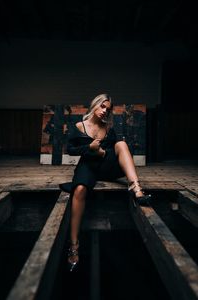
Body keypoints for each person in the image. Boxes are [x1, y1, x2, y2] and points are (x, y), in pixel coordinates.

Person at [59, 94, 151, 272]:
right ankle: (74, 245)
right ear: (94, 106)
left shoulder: (109, 128)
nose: (104, 111)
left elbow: (111, 152)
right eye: (102, 107)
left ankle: (136, 188)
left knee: (122, 145)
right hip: (88, 164)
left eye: (107, 110)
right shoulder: (78, 126)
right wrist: (90, 148)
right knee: (79, 190)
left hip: (106, 165)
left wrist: (102, 153)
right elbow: (70, 150)